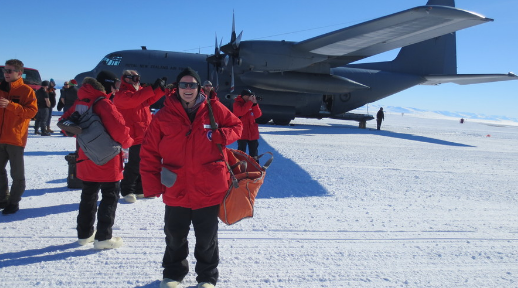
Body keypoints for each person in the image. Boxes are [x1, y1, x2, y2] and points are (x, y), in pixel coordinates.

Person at [140, 67, 242, 288]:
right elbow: (149, 152)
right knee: (174, 235)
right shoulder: (163, 115)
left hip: (209, 187)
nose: (188, 89)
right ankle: (173, 274)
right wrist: (151, 185)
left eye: (192, 84)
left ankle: (207, 277)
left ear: (199, 87)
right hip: (176, 186)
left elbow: (237, 125)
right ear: (176, 88)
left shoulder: (214, 108)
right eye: (184, 85)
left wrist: (222, 135)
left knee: (207, 238)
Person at [61, 77, 133, 249]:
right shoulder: (104, 103)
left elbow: (65, 126)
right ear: (105, 85)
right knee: (109, 197)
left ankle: (84, 235)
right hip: (107, 159)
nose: (116, 89)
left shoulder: (80, 102)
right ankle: (103, 237)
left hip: (86, 156)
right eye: (114, 85)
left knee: (88, 196)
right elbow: (119, 131)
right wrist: (129, 142)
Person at [113, 69, 165, 203]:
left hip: (145, 133)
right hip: (132, 135)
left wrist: (161, 89)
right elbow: (135, 100)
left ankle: (140, 189)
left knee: (145, 162)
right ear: (127, 79)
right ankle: (127, 190)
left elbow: (149, 99)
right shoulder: (122, 95)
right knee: (134, 163)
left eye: (138, 78)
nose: (138, 81)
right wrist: (151, 88)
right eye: (135, 78)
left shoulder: (139, 92)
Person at [0, 59, 38, 214]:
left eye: (9, 71)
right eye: (4, 70)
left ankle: (13, 202)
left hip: (15, 138)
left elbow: (32, 112)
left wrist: (10, 105)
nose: (6, 74)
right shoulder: (1, 87)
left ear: (19, 73)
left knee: (17, 174)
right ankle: (3, 198)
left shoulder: (26, 91)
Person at [233, 89, 262, 159]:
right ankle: (240, 168)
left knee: (254, 153)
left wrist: (255, 104)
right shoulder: (237, 104)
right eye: (249, 96)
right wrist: (250, 102)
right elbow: (241, 112)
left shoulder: (251, 103)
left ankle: (254, 167)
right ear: (244, 96)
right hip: (242, 133)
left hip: (252, 132)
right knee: (241, 152)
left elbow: (258, 115)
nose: (251, 97)